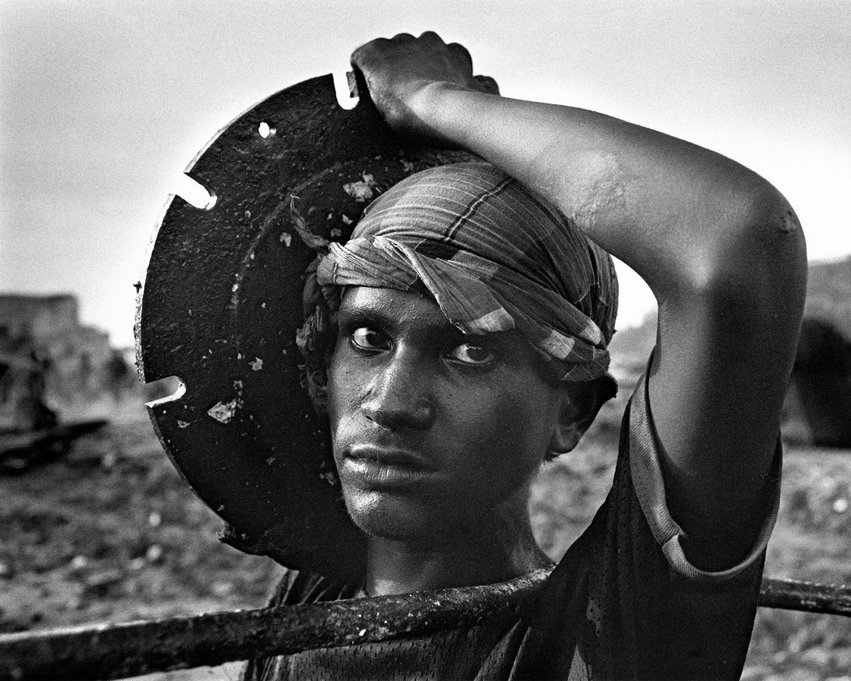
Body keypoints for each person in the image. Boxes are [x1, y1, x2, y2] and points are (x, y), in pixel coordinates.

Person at [244, 31, 806, 680]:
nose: (391, 402)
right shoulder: (312, 599)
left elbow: (742, 245)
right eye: (369, 338)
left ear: (569, 411)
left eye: (470, 349)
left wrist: (436, 101)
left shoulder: (603, 636)